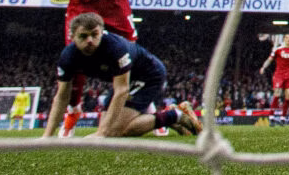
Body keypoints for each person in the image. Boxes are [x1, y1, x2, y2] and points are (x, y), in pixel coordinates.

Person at [40, 12, 199, 139]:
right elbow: (62, 97)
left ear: (101, 32)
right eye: (83, 36)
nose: (90, 41)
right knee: (110, 128)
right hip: (128, 81)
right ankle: (171, 117)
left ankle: (175, 115)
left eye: (94, 34)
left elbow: (122, 90)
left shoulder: (115, 48)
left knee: (115, 131)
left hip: (149, 75)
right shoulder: (68, 57)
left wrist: (101, 134)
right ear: (72, 36)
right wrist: (46, 137)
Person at [259, 33, 289, 118]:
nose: (288, 39)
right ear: (284, 39)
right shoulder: (278, 49)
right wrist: (263, 67)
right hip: (279, 75)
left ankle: (283, 117)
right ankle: (271, 116)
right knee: (277, 94)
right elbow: (269, 59)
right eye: (287, 38)